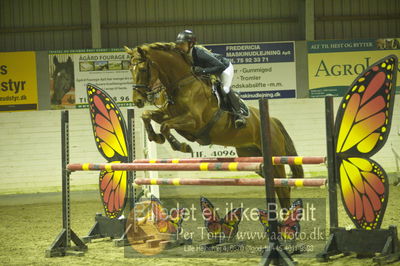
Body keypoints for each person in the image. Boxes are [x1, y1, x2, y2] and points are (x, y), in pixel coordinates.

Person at [175, 30, 246, 129]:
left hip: (224, 67)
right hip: (210, 70)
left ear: (191, 44)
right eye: (179, 44)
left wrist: (203, 71)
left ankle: (239, 114)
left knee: (225, 89)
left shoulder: (199, 53)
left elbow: (219, 66)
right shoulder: (183, 54)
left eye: (182, 44)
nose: (180, 46)